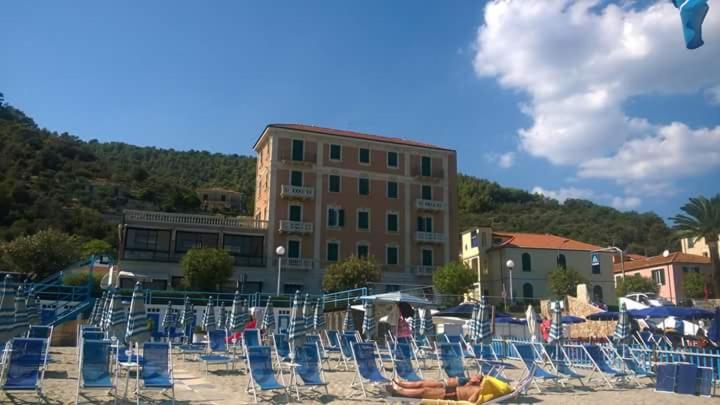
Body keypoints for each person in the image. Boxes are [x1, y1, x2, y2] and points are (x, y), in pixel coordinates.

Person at [387, 375, 512, 402]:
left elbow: (471, 402)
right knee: (422, 387)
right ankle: (400, 387)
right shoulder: (480, 386)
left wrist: (478, 391)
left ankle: (399, 391)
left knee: (423, 391)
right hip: (451, 390)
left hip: (450, 396)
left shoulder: (484, 395)